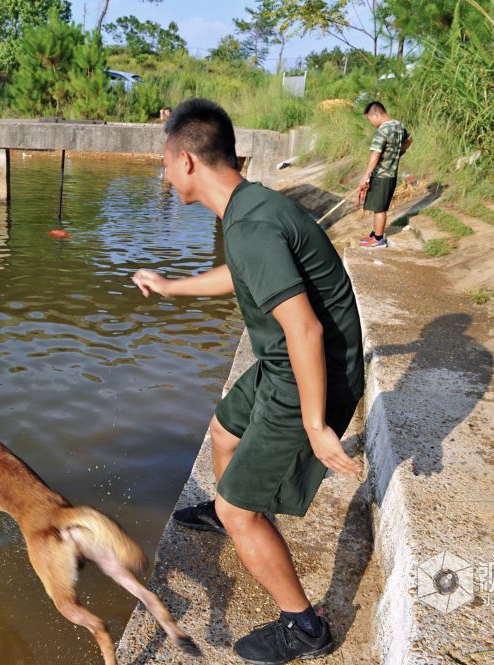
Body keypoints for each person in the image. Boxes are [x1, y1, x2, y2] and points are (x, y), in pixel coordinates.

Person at [131, 98, 364, 664]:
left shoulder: (252, 225)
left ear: (187, 160)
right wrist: (168, 287)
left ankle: (305, 625)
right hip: (281, 361)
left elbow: (304, 329)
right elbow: (240, 276)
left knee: (244, 511)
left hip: (309, 371)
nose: (163, 174)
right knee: (223, 429)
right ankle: (223, 510)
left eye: (164, 162)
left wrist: (316, 425)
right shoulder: (247, 208)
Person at [356, 101, 412, 249]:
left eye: (369, 119)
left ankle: (379, 239)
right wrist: (398, 154)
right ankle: (374, 234)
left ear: (376, 115)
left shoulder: (382, 130)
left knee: (380, 208)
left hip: (382, 175)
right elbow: (409, 140)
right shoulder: (398, 125)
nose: (370, 123)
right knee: (376, 206)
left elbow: (375, 154)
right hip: (390, 174)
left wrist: (365, 176)